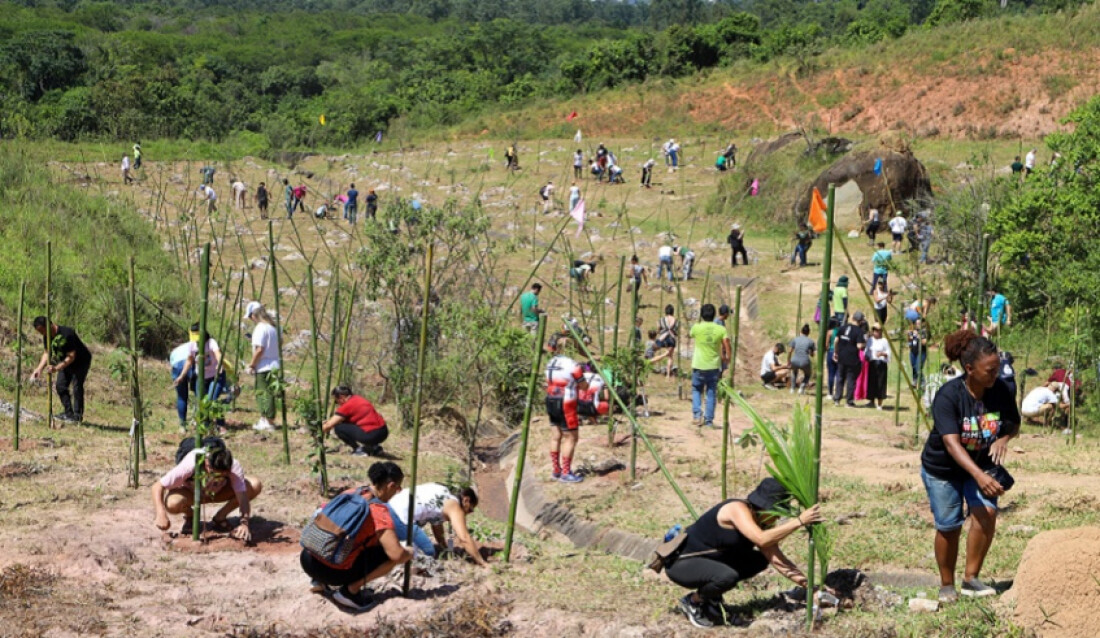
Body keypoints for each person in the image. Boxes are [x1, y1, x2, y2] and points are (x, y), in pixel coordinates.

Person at [920, 330, 1020, 602]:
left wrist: (1003, 438)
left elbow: (1013, 422)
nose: (995, 375)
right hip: (944, 469)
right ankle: (946, 584)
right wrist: (978, 476)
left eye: (997, 369)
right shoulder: (948, 396)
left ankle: (970, 579)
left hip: (980, 462)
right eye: (990, 370)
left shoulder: (1000, 390)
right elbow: (952, 445)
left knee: (986, 513)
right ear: (969, 369)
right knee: (949, 526)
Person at [666, 478, 825, 628]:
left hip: (709, 561)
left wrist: (810, 586)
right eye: (776, 513)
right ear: (764, 507)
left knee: (759, 559)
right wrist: (799, 522)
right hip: (681, 564)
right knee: (727, 576)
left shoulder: (761, 521)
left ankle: (711, 599)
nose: (777, 517)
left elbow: (778, 560)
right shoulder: (736, 509)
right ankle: (694, 602)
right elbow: (761, 539)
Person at [300, 462, 412, 611]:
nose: (397, 492)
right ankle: (350, 592)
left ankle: (318, 582)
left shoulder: (352, 492)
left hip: (308, 560)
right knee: (389, 556)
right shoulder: (378, 511)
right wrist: (409, 552)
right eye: (398, 488)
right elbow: (396, 555)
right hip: (331, 573)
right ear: (391, 486)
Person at [152, 437, 262, 539]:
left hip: (218, 493)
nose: (217, 477)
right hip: (192, 494)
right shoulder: (190, 463)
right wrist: (161, 514)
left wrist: (244, 523)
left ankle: (220, 517)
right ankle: (191, 516)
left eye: (222, 475)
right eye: (215, 473)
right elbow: (157, 486)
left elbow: (242, 497)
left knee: (254, 484)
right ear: (207, 463)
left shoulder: (232, 465)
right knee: (172, 503)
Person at [389, 484, 488, 567]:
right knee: (422, 559)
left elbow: (437, 527)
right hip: (400, 518)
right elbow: (464, 538)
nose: (468, 513)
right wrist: (483, 563)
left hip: (390, 508)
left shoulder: (443, 494)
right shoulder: (454, 504)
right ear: (466, 500)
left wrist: (445, 548)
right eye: (470, 510)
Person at [30, 317, 93, 424]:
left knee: (77, 387)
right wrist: (39, 369)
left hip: (81, 361)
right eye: (39, 332)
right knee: (60, 385)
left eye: (42, 330)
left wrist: (56, 368)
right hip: (65, 361)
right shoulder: (47, 336)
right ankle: (68, 413)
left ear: (49, 325)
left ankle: (77, 417)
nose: (42, 334)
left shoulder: (67, 333)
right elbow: (47, 353)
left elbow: (72, 356)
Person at [545, 339, 588, 484]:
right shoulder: (572, 364)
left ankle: (556, 470)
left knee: (555, 435)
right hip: (566, 401)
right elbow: (583, 386)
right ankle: (566, 472)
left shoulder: (550, 362)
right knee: (571, 437)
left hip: (550, 398)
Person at [320, 386, 389, 456]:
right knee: (348, 424)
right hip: (383, 432)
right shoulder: (358, 398)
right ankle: (374, 448)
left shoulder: (347, 405)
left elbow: (328, 426)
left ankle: (358, 450)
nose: (337, 403)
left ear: (341, 397)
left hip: (371, 435)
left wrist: (317, 431)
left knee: (339, 428)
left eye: (336, 401)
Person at [691, 304, 730, 428]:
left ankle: (697, 416)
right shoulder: (721, 329)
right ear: (714, 314)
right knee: (711, 392)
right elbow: (726, 344)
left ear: (702, 315)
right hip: (713, 366)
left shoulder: (696, 328)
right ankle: (708, 421)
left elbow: (691, 334)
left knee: (697, 390)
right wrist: (727, 359)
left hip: (698, 365)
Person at [244, 302, 280, 431]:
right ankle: (266, 419)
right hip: (275, 364)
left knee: (263, 393)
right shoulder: (272, 327)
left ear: (254, 315)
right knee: (270, 392)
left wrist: (252, 365)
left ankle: (268, 421)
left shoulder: (260, 328)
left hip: (264, 366)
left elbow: (259, 350)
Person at [833, 311, 866, 407]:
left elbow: (836, 341)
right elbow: (859, 346)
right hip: (852, 359)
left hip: (842, 357)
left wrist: (836, 352)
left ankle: (837, 399)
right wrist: (865, 343)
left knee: (840, 378)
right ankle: (849, 401)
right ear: (860, 321)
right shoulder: (859, 331)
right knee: (851, 379)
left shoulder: (843, 327)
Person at [865, 324, 890, 409]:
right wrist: (867, 356)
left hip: (881, 363)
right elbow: (867, 351)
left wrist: (883, 354)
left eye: (879, 331)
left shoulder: (884, 341)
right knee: (872, 382)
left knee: (880, 383)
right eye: (875, 331)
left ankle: (879, 403)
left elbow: (888, 353)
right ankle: (871, 400)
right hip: (872, 363)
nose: (877, 333)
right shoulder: (870, 340)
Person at [787, 325, 816, 394]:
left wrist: (788, 360)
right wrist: (809, 352)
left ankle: (792, 389)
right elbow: (812, 355)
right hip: (805, 361)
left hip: (795, 360)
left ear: (801, 331)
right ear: (809, 333)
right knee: (808, 374)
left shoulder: (795, 339)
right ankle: (801, 388)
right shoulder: (811, 341)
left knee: (794, 372)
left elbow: (789, 351)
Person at [655, 305, 679, 377]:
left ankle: (653, 363)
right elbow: (677, 332)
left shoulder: (661, 320)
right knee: (670, 357)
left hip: (663, 339)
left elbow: (658, 329)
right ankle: (668, 374)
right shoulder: (676, 321)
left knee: (658, 352)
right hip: (671, 339)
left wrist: (660, 332)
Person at [908, 318, 930, 389]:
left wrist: (917, 335)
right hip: (913, 352)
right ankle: (915, 382)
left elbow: (924, 342)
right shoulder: (913, 331)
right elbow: (909, 340)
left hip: (921, 352)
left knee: (918, 368)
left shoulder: (924, 332)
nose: (917, 325)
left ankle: (923, 383)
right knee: (914, 367)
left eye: (919, 324)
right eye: (916, 324)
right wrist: (909, 335)